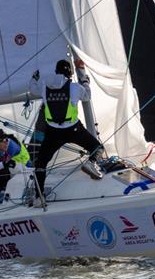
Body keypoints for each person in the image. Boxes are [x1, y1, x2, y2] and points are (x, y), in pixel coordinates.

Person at [29, 59, 104, 205]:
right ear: (70, 73)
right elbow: (87, 96)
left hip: (52, 132)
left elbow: (33, 89)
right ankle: (91, 163)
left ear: (56, 72)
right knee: (98, 148)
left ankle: (39, 197)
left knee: (41, 163)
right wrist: (85, 80)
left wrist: (34, 77)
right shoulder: (75, 87)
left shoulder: (44, 86)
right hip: (73, 129)